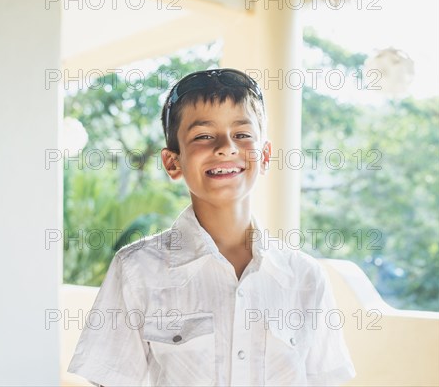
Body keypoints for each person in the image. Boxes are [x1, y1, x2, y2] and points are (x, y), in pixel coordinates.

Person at [68, 68, 356, 386]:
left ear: (266, 155)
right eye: (203, 136)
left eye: (243, 134)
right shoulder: (137, 269)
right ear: (172, 162)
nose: (225, 147)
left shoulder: (304, 276)